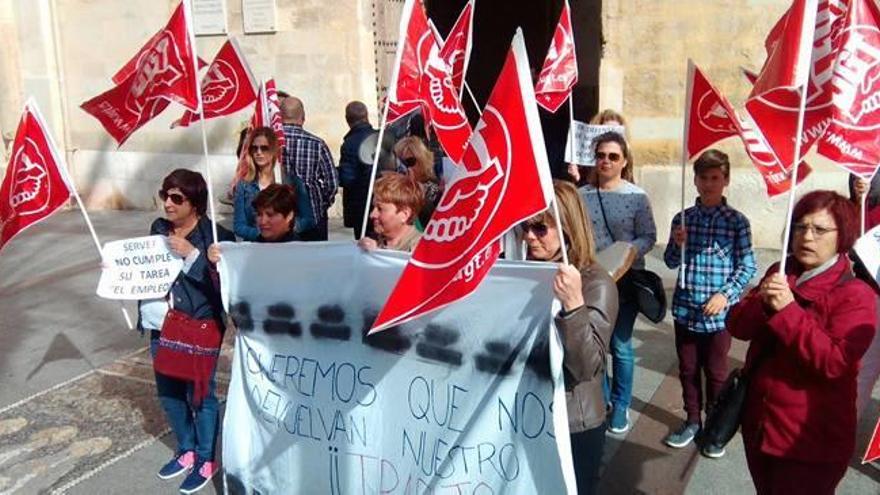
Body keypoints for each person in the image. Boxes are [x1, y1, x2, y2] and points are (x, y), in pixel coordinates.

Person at [727, 190, 876, 494]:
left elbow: (835, 362)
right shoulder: (781, 271)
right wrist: (762, 301)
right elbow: (738, 326)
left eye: (820, 229)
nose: (807, 236)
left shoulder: (856, 294)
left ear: (842, 235)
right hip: (760, 425)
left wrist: (787, 310)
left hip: (810, 441)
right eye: (800, 226)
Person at [137, 169, 234, 493]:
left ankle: (206, 459)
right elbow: (144, 268)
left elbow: (223, 290)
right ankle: (187, 448)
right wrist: (118, 270)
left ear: (194, 203)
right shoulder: (158, 229)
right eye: (165, 195)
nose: (168, 203)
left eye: (176, 198)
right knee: (169, 394)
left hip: (200, 325)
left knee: (200, 395)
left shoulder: (216, 237)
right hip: (162, 323)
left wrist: (192, 256)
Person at [521, 180, 617, 494]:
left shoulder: (595, 283)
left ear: (567, 227)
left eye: (540, 228)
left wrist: (574, 306)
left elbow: (586, 366)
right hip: (529, 410)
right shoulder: (527, 270)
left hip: (573, 421)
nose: (529, 237)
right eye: (525, 227)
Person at [661, 149, 757, 458]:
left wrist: (725, 295)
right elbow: (671, 262)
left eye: (715, 178)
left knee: (716, 372)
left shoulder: (737, 222)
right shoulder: (683, 218)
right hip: (686, 310)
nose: (708, 184)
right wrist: (677, 245)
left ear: (726, 180)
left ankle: (716, 426)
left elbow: (748, 266)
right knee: (688, 370)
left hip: (718, 316)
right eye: (703, 177)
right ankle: (692, 421)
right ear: (695, 180)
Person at [579, 131, 657, 434]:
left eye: (613, 156)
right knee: (594, 342)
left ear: (624, 161)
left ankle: (621, 403)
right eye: (601, 155)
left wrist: (628, 252)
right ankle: (605, 395)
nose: (606, 161)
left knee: (620, 344)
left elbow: (649, 235)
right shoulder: (581, 194)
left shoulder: (636, 196)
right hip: (591, 280)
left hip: (626, 279)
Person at [280, 96, 338, 241]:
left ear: (279, 116)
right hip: (313, 213)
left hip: (278, 213)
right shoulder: (317, 144)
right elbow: (332, 183)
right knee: (316, 259)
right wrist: (322, 203)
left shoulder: (270, 143)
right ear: (303, 117)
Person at [209, 184, 300, 264]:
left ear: (289, 216)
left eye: (270, 215)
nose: (263, 221)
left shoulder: (301, 252)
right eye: (259, 214)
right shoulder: (250, 251)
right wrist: (218, 262)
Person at [851, 173, 880, 418]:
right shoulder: (867, 205)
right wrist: (860, 199)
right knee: (862, 373)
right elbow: (855, 240)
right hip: (872, 296)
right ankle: (844, 436)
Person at [338, 101, 378, 240]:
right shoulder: (382, 137)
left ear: (347, 120)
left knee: (365, 244)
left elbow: (347, 178)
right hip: (385, 201)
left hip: (362, 205)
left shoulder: (349, 144)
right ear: (367, 116)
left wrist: (336, 173)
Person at [357, 174, 423, 252]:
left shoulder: (421, 249)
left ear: (404, 215)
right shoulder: (373, 240)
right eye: (373, 207)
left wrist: (378, 254)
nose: (372, 215)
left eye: (380, 209)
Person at [393, 136, 441, 229]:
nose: (404, 168)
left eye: (410, 161)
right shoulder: (395, 188)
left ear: (422, 160)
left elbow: (431, 222)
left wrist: (412, 187)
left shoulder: (434, 189)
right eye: (400, 162)